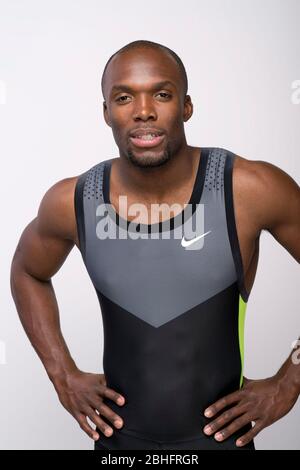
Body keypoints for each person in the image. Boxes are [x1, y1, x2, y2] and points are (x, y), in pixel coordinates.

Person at [10, 40, 300, 450]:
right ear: (106, 111)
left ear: (186, 106)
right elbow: (28, 272)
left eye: (162, 94)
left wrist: (291, 380)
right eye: (124, 97)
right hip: (118, 449)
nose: (143, 111)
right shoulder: (72, 201)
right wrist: (62, 373)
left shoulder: (248, 189)